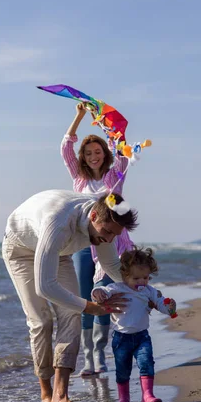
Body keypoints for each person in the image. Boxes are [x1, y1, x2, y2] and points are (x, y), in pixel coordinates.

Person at [2, 190, 139, 402]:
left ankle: (61, 397)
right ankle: (46, 399)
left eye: (115, 235)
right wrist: (89, 306)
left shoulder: (105, 225)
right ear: (93, 216)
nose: (108, 240)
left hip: (59, 252)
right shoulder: (58, 222)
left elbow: (112, 266)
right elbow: (44, 287)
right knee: (41, 321)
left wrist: (144, 292)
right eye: (107, 233)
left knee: (71, 314)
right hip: (21, 250)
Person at [61, 102, 134, 376]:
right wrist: (79, 116)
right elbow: (65, 149)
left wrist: (108, 125)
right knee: (83, 297)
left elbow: (123, 152)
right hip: (83, 244)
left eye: (98, 151)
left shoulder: (115, 176)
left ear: (105, 154)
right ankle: (89, 359)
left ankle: (100, 353)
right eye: (89, 153)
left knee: (104, 293)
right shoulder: (78, 179)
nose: (94, 156)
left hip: (110, 243)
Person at [91, 246, 177, 402]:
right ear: (125, 276)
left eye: (145, 277)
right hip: (121, 338)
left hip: (142, 337)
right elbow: (103, 291)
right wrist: (98, 293)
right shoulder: (118, 288)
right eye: (136, 278)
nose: (142, 282)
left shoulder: (149, 291)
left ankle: (148, 396)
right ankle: (124, 400)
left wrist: (170, 308)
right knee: (123, 369)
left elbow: (161, 304)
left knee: (146, 363)